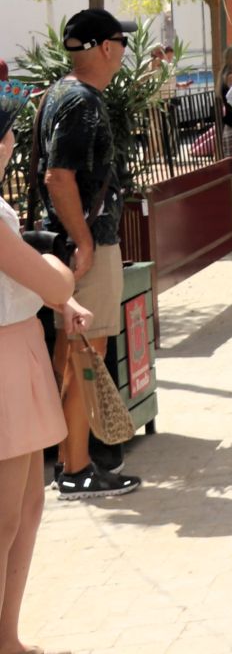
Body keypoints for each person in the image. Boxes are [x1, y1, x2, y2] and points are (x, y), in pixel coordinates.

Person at [37, 10, 142, 500]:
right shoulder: (81, 103)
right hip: (87, 245)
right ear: (104, 47)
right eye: (121, 41)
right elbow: (59, 177)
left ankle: (68, 461)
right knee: (85, 356)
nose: (123, 50)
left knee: (70, 354)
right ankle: (77, 469)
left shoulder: (60, 93)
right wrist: (83, 240)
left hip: (71, 244)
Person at [1, 92, 93, 647]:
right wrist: (58, 275)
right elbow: (53, 278)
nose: (12, 141)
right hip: (7, 360)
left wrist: (56, 293)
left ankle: (7, 635)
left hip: (19, 350)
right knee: (7, 517)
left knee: (28, 508)